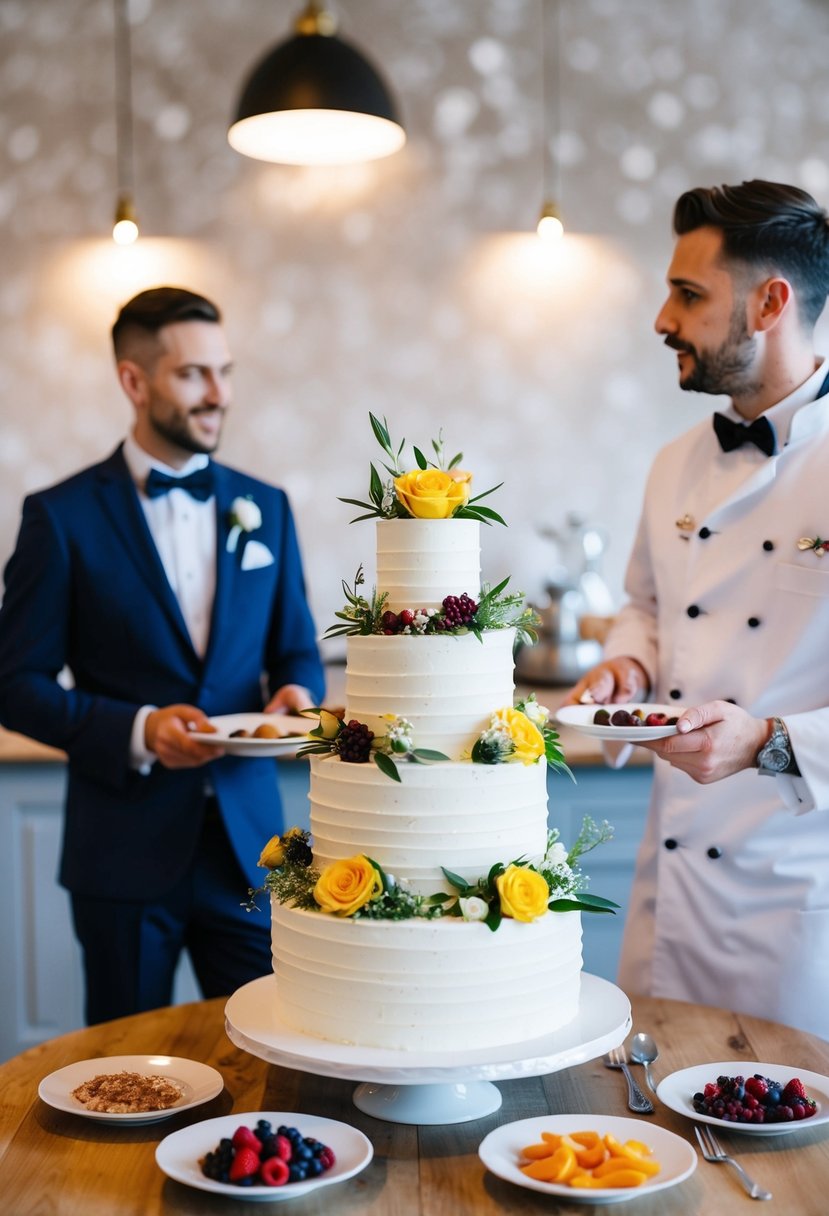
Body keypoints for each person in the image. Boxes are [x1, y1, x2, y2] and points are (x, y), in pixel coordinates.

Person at [0, 286, 325, 1024]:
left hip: (253, 849)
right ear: (133, 381)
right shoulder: (60, 517)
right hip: (121, 852)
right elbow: (14, 685)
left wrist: (296, 697)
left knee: (267, 1052)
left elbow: (296, 650)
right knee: (120, 1078)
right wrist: (139, 730)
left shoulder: (264, 505)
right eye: (193, 375)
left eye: (226, 371)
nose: (219, 395)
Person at [567, 180, 829, 1039]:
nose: (660, 320)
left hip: (796, 893)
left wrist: (764, 741)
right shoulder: (673, 462)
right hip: (674, 879)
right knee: (658, 1104)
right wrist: (629, 661)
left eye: (687, 294)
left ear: (769, 302)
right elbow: (643, 604)